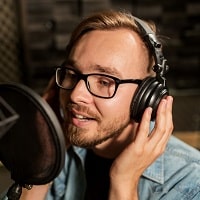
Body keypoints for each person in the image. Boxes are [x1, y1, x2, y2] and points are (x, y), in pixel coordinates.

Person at [2, 10, 200, 200]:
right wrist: (46, 154)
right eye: (72, 74)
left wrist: (124, 182)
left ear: (146, 96)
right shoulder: (62, 153)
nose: (76, 95)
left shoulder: (191, 181)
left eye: (105, 81)